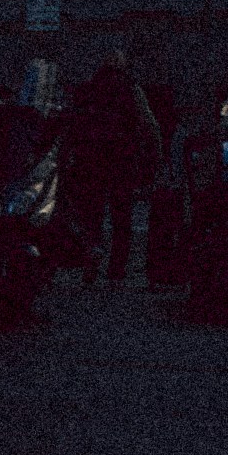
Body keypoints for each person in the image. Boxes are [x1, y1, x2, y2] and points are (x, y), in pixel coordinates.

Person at [69, 50, 159, 287]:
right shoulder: (131, 89)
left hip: (91, 160)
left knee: (93, 214)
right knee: (122, 216)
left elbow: (73, 122)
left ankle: (92, 259)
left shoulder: (88, 89)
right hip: (122, 159)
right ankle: (117, 269)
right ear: (122, 65)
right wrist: (155, 155)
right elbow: (148, 123)